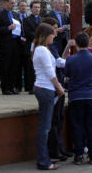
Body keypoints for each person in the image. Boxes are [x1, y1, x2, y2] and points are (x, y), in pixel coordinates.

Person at [32, 23, 65, 170]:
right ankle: (43, 161)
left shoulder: (43, 49)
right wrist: (59, 87)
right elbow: (50, 72)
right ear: (45, 35)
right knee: (45, 127)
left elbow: (57, 64)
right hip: (45, 88)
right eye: (52, 34)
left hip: (45, 88)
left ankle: (44, 157)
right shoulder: (42, 50)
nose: (54, 36)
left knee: (45, 126)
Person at [64, 32, 92, 165]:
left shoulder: (71, 59)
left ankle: (79, 155)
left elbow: (66, 75)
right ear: (88, 43)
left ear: (76, 44)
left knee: (77, 126)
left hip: (76, 96)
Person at [42, 17, 73, 161]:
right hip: (52, 86)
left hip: (58, 83)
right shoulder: (44, 47)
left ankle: (60, 147)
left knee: (59, 118)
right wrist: (75, 62)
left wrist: (67, 47)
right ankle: (54, 150)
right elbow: (57, 63)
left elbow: (60, 60)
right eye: (54, 28)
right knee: (54, 120)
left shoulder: (53, 45)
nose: (56, 31)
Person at [0, 0, 21, 95]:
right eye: (11, 3)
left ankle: (12, 86)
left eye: (14, 3)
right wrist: (8, 28)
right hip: (5, 44)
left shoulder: (16, 15)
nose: (13, 5)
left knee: (14, 66)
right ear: (5, 3)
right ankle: (5, 88)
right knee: (5, 66)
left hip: (15, 43)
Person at [23, 1, 41, 94]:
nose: (37, 9)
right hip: (31, 45)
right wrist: (38, 37)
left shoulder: (43, 19)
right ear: (31, 8)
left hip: (41, 45)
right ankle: (30, 87)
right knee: (30, 67)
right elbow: (27, 32)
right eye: (35, 7)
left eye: (38, 7)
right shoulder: (27, 20)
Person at [16, 0, 29, 92]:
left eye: (25, 6)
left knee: (28, 66)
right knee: (18, 66)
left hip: (27, 45)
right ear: (18, 7)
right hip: (18, 44)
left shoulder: (29, 17)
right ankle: (18, 86)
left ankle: (28, 86)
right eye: (21, 6)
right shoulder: (15, 17)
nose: (23, 7)